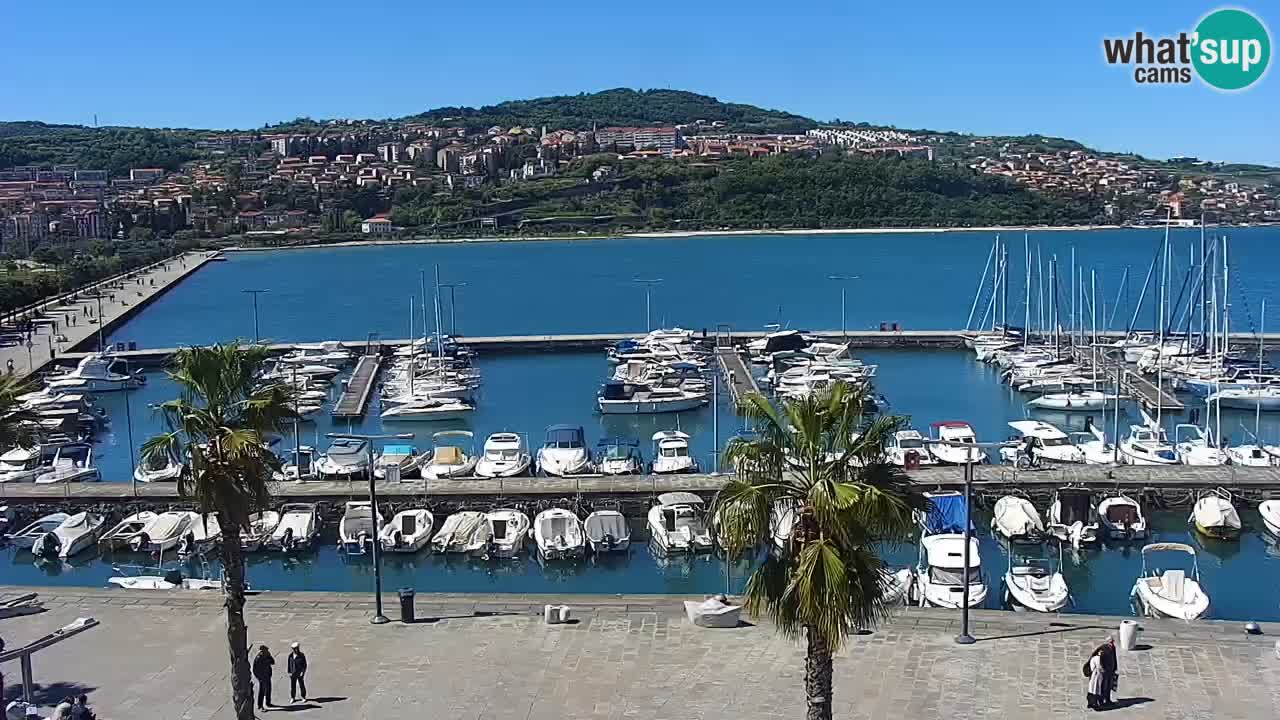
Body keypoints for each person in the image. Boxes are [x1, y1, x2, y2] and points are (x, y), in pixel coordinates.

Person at [1096, 636, 1118, 707]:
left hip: (1111, 670)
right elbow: (1099, 659)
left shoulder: (1113, 648)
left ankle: (1108, 699)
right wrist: (1102, 668)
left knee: (1109, 686)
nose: (1112, 643)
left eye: (1112, 642)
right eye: (1111, 642)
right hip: (1105, 671)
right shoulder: (1103, 648)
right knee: (1103, 686)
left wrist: (1115, 667)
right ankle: (1101, 700)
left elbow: (1114, 657)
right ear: (1108, 642)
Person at [252, 645, 275, 710]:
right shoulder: (258, 658)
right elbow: (255, 670)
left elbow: (273, 662)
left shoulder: (267, 656)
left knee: (268, 690)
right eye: (266, 650)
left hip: (267, 676)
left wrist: (269, 656)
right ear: (262, 651)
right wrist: (259, 678)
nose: (267, 651)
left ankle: (268, 703)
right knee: (262, 692)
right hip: (262, 677)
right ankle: (260, 706)